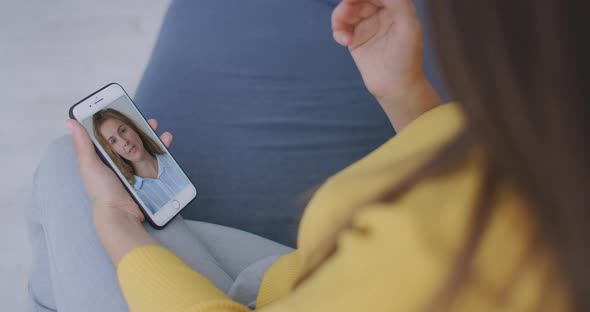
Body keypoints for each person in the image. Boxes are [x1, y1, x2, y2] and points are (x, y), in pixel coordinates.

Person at [27, 0, 588, 311]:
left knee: (66, 174)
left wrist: (115, 222)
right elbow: (457, 184)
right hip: (290, 278)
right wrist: (404, 91)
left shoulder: (481, 265)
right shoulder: (548, 155)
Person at [92, 108, 189, 214]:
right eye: (114, 141)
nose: (124, 142)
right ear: (112, 151)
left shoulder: (171, 159)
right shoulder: (131, 195)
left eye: (123, 130)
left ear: (134, 129)